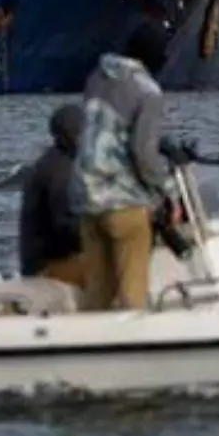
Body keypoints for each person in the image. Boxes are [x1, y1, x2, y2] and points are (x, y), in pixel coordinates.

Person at [74, 20, 177, 311]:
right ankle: (135, 351)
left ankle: (91, 351)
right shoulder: (148, 91)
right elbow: (143, 152)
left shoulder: (97, 78)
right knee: (133, 295)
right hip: (123, 201)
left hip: (86, 197)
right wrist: (168, 190)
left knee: (97, 295)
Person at [18, 103, 87, 287]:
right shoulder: (60, 173)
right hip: (48, 267)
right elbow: (66, 229)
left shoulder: (54, 162)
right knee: (115, 265)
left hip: (39, 264)